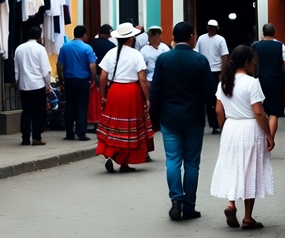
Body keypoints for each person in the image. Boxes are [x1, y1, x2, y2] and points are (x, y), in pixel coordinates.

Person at [150, 21, 211, 222]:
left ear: (174, 38)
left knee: (173, 160)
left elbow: (156, 91)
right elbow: (209, 93)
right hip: (193, 118)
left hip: (169, 118)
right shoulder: (200, 61)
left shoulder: (164, 59)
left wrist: (154, 118)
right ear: (191, 37)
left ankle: (176, 200)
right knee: (192, 163)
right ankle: (189, 205)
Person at [210, 45, 274, 229]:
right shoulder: (252, 82)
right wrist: (268, 134)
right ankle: (247, 217)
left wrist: (224, 128)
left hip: (231, 127)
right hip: (249, 128)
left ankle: (231, 203)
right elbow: (258, 112)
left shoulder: (224, 81)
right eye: (252, 60)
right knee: (249, 169)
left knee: (233, 166)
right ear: (246, 62)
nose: (254, 64)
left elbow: (218, 110)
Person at [96, 21, 152, 173]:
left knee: (114, 127)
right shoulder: (136, 54)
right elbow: (142, 78)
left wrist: (103, 95)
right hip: (131, 93)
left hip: (114, 91)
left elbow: (102, 77)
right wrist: (146, 98)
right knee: (128, 129)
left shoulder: (111, 53)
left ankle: (111, 154)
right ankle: (124, 163)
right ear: (130, 39)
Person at [57, 24, 98, 141]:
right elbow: (92, 65)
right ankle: (81, 133)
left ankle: (69, 133)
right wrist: (93, 79)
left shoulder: (65, 47)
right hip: (83, 81)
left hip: (69, 81)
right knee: (81, 106)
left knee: (69, 106)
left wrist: (61, 80)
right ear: (84, 35)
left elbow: (60, 65)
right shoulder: (87, 48)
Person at [14, 25, 52, 146]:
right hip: (37, 85)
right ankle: (37, 137)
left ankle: (25, 138)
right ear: (39, 36)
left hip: (24, 85)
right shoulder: (40, 49)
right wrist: (48, 83)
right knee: (38, 111)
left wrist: (17, 82)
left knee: (26, 111)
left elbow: (16, 70)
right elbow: (44, 69)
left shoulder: (19, 49)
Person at [251, 23, 285, 141]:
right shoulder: (280, 45)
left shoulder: (255, 46)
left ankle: (260, 138)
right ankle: (270, 139)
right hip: (276, 80)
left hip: (261, 79)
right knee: (274, 112)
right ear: (274, 32)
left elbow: (253, 62)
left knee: (261, 108)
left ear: (263, 33)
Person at [195, 20, 229, 133]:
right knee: (208, 99)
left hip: (216, 71)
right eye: (209, 27)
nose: (211, 29)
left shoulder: (220, 39)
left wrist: (223, 72)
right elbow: (197, 53)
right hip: (205, 70)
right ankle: (212, 124)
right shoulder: (201, 38)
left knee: (217, 98)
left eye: (212, 28)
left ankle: (218, 124)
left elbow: (225, 56)